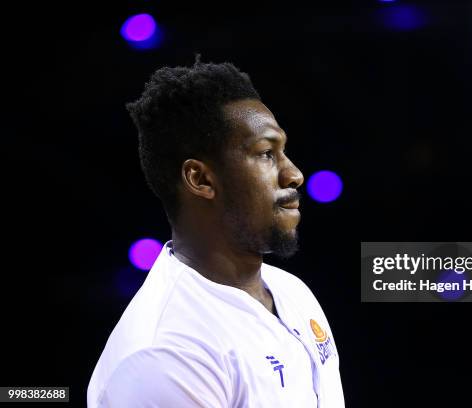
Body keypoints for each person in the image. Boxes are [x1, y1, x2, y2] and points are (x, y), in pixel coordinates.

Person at [87, 57, 345, 407]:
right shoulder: (164, 355)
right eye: (267, 154)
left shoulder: (291, 291)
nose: (294, 174)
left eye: (283, 151)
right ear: (201, 179)